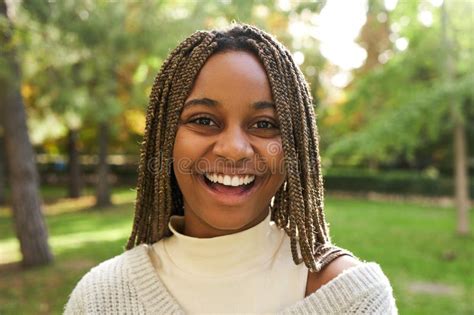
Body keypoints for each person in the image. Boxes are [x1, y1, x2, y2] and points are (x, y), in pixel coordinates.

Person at [64, 24, 397, 314]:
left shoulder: (353, 300)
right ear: (165, 138)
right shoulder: (101, 298)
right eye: (204, 120)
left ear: (295, 147)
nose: (234, 149)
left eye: (265, 124)